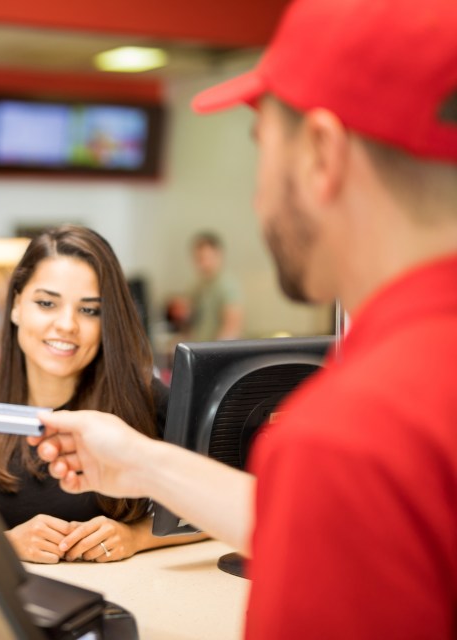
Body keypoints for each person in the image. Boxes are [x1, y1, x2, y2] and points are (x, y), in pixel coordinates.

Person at [32, 0, 457, 636]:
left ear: (321, 156)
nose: (257, 197)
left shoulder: (351, 436)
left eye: (263, 148)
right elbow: (321, 523)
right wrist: (144, 463)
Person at [0, 225, 206, 563]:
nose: (67, 325)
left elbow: (226, 505)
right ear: (16, 306)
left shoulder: (144, 401)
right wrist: (5, 543)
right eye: (47, 303)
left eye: (89, 310)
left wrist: (135, 536)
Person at [186, 231, 243, 341]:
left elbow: (232, 328)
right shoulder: (199, 285)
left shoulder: (227, 285)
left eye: (206, 257)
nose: (203, 264)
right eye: (198, 259)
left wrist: (215, 354)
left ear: (218, 255)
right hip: (201, 347)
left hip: (214, 351)